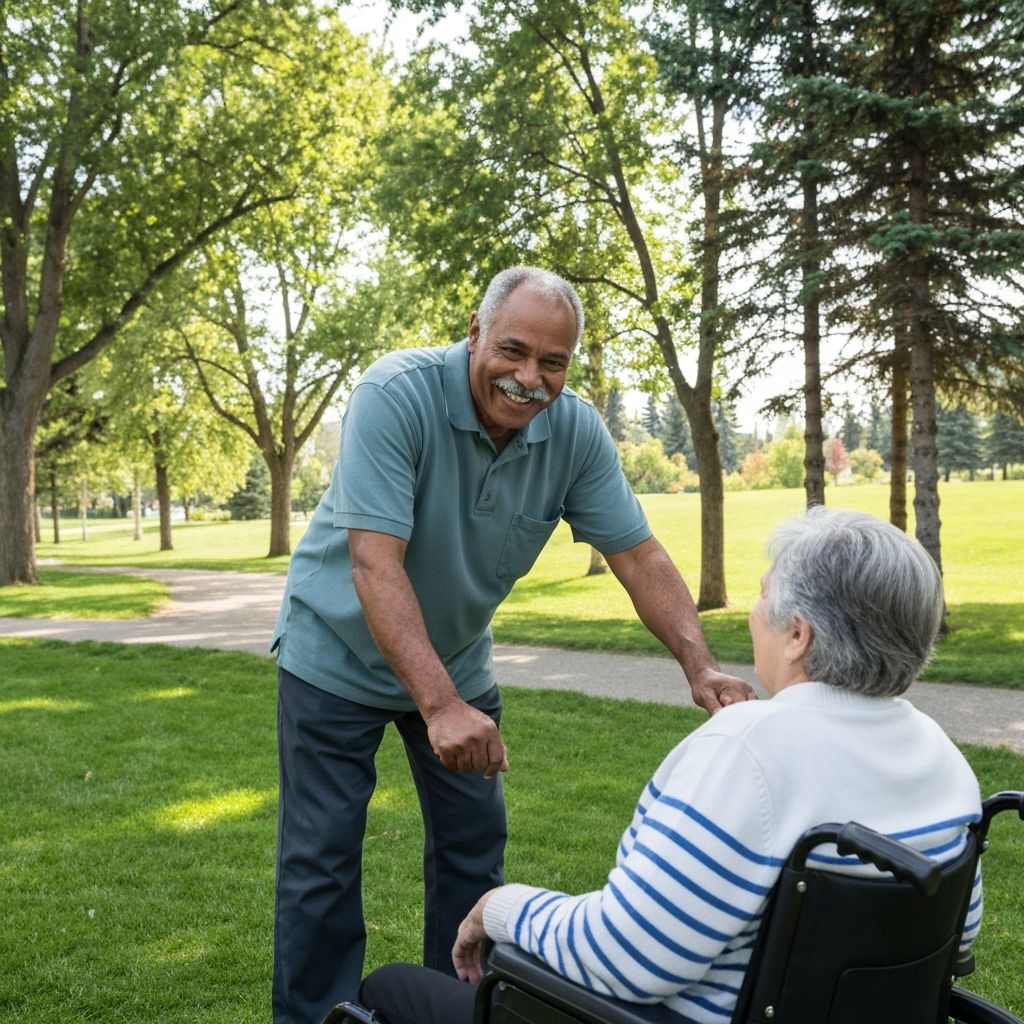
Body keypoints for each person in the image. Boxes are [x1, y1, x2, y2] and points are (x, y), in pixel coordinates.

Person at [270, 265, 755, 1023]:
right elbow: (375, 561)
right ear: (475, 334)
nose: (529, 378)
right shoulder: (395, 396)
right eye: (514, 351)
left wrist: (701, 666)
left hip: (457, 664)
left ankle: (452, 1010)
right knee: (322, 859)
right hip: (335, 657)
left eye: (552, 362)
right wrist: (438, 707)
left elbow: (639, 555)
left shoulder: (574, 432)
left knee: (474, 849)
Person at [357, 507, 984, 1024]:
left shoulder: (750, 748)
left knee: (390, 991)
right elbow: (954, 946)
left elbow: (628, 961)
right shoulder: (944, 760)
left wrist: (499, 907)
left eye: (764, 598)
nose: (752, 615)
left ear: (798, 636)